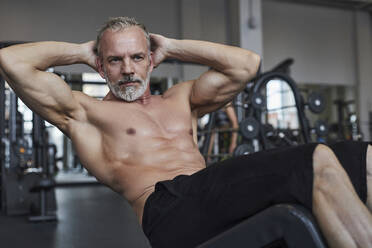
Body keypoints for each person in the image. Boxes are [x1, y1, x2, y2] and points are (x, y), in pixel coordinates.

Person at [0, 17, 371, 248]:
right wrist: (82, 51)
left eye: (137, 57)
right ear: (102, 66)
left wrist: (173, 46)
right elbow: (11, 60)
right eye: (115, 60)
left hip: (213, 196)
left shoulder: (181, 99)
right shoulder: (85, 111)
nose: (128, 69)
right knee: (315, 159)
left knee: (362, 157)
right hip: (169, 211)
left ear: (151, 59)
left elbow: (246, 65)